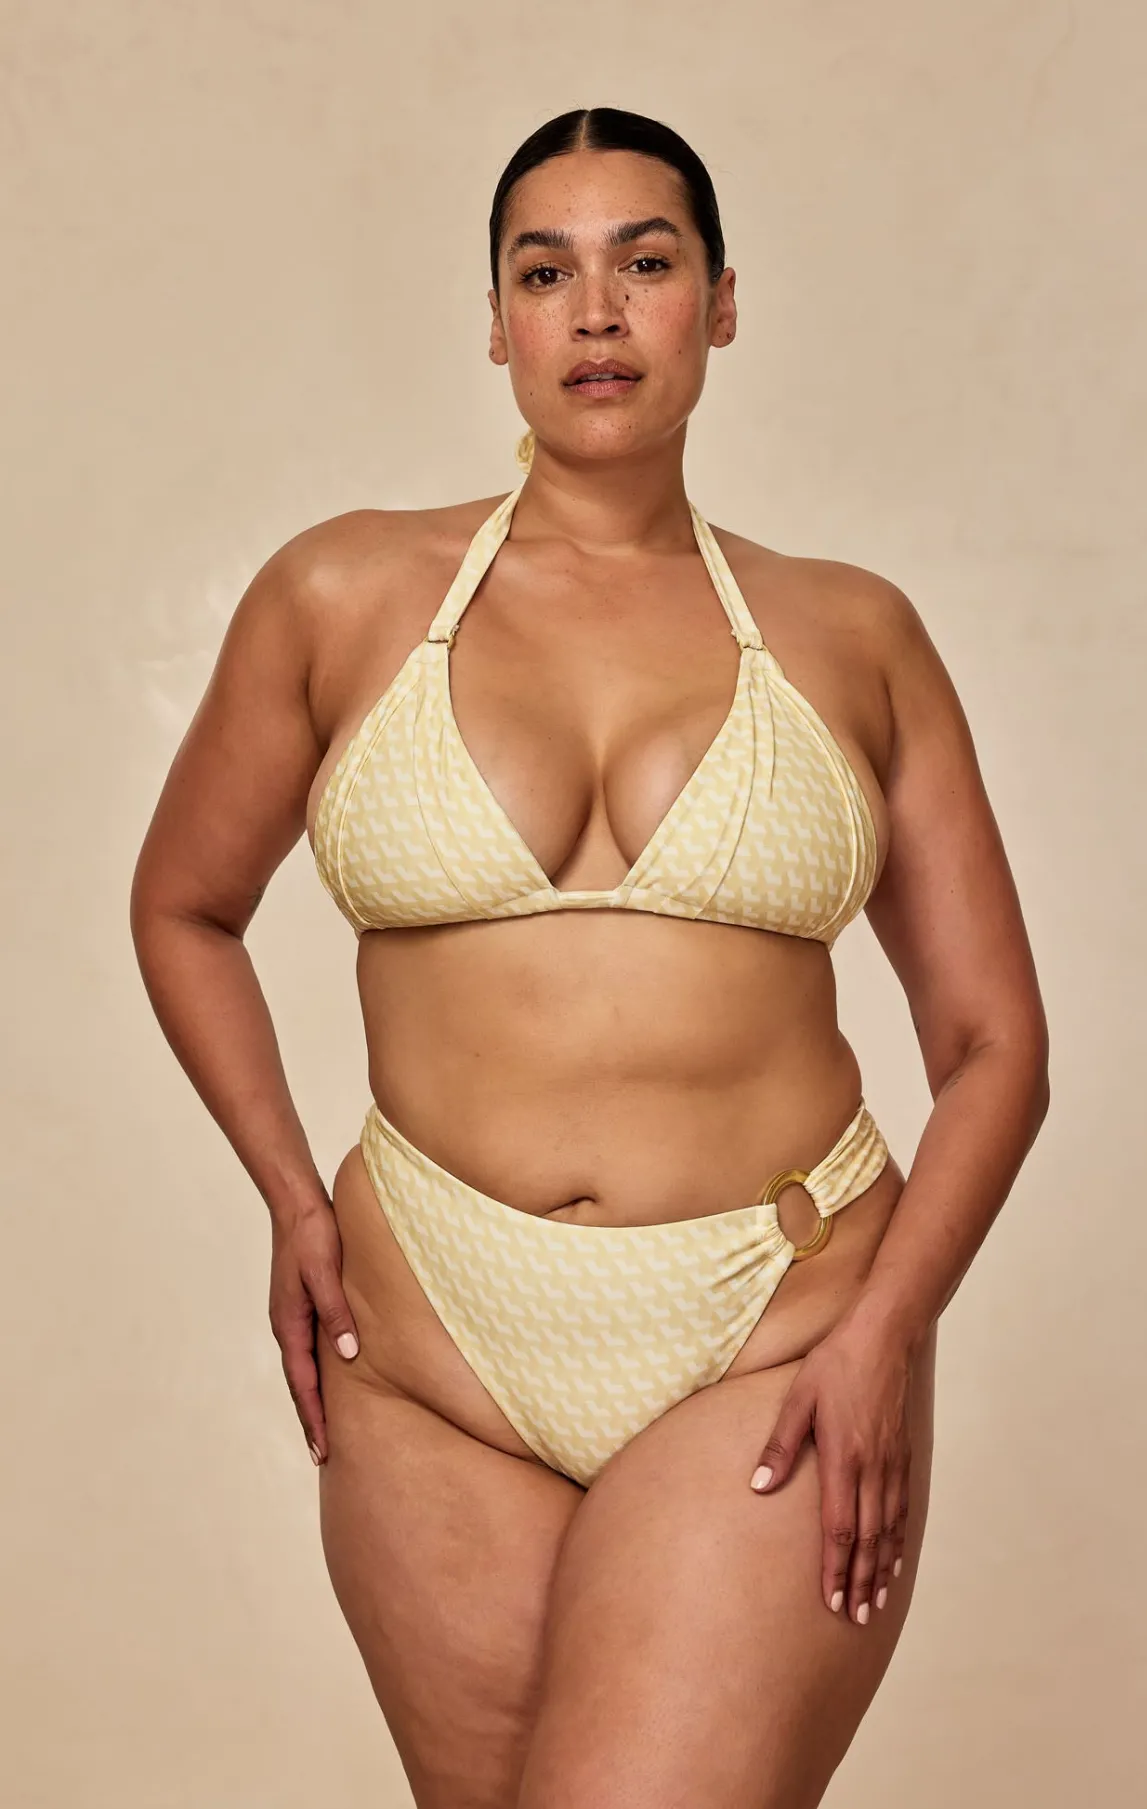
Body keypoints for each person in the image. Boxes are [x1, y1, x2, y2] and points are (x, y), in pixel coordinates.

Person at [130, 105, 1049, 1809]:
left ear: (720, 303)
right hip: (429, 1353)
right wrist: (290, 1196)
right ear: (496, 322)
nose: (597, 311)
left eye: (646, 261)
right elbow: (182, 906)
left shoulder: (852, 632)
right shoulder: (337, 594)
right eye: (544, 272)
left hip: (777, 1331)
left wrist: (885, 1331)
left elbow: (996, 1044)